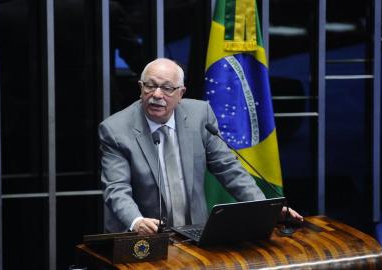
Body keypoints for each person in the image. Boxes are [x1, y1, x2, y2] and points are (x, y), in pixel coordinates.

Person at [99, 58, 303, 234]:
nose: (157, 95)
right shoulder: (116, 130)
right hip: (141, 236)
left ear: (181, 93)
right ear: (140, 88)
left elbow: (229, 169)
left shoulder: (200, 115)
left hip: (193, 231)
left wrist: (265, 209)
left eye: (167, 88)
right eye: (150, 86)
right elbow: (116, 188)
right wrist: (136, 221)